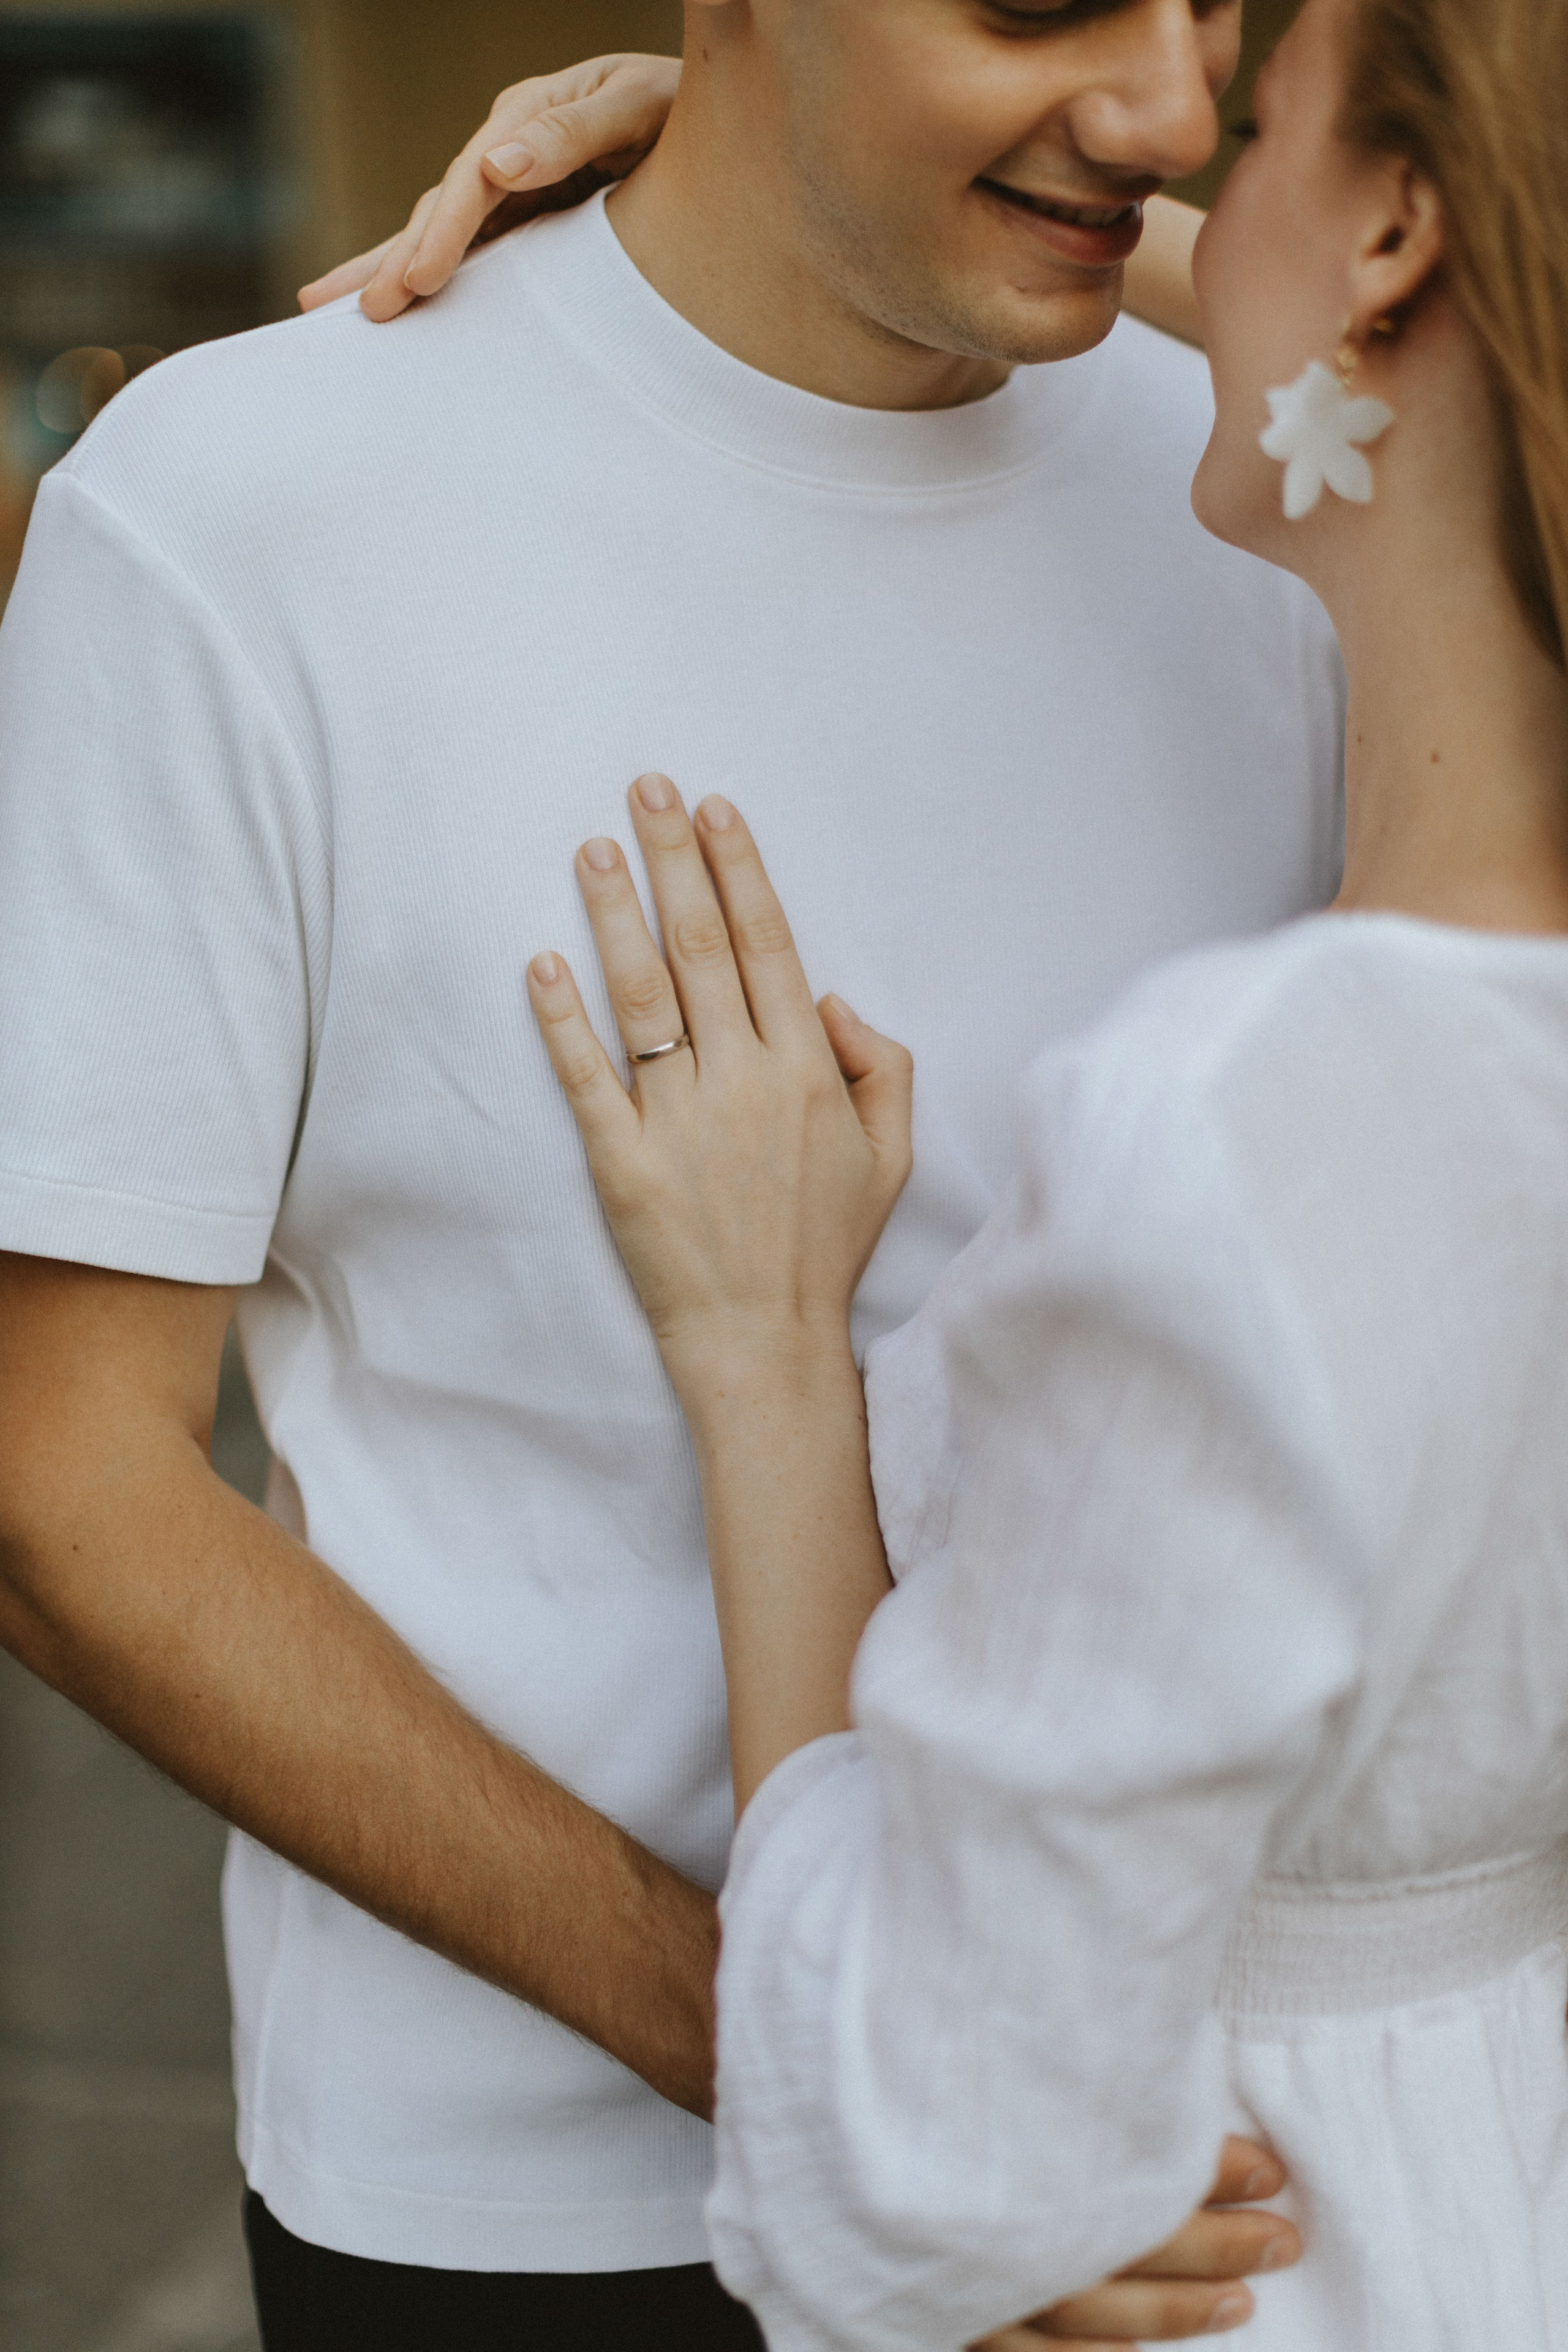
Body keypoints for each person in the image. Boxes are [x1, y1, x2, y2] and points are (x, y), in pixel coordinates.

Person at [0, 3, 1342, 2345]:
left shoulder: (1301, 490)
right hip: (541, 2227)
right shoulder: (240, 506)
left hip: (1223, 2186)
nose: (1169, 110)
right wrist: (818, 2058)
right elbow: (57, 1482)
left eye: (1211, 3)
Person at [527, 0, 1568, 2344]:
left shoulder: (1247, 1133)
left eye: (1257, 108)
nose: (1175, 144)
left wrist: (774, 1358)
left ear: (1399, 233)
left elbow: (928, 2161)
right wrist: (748, 125)